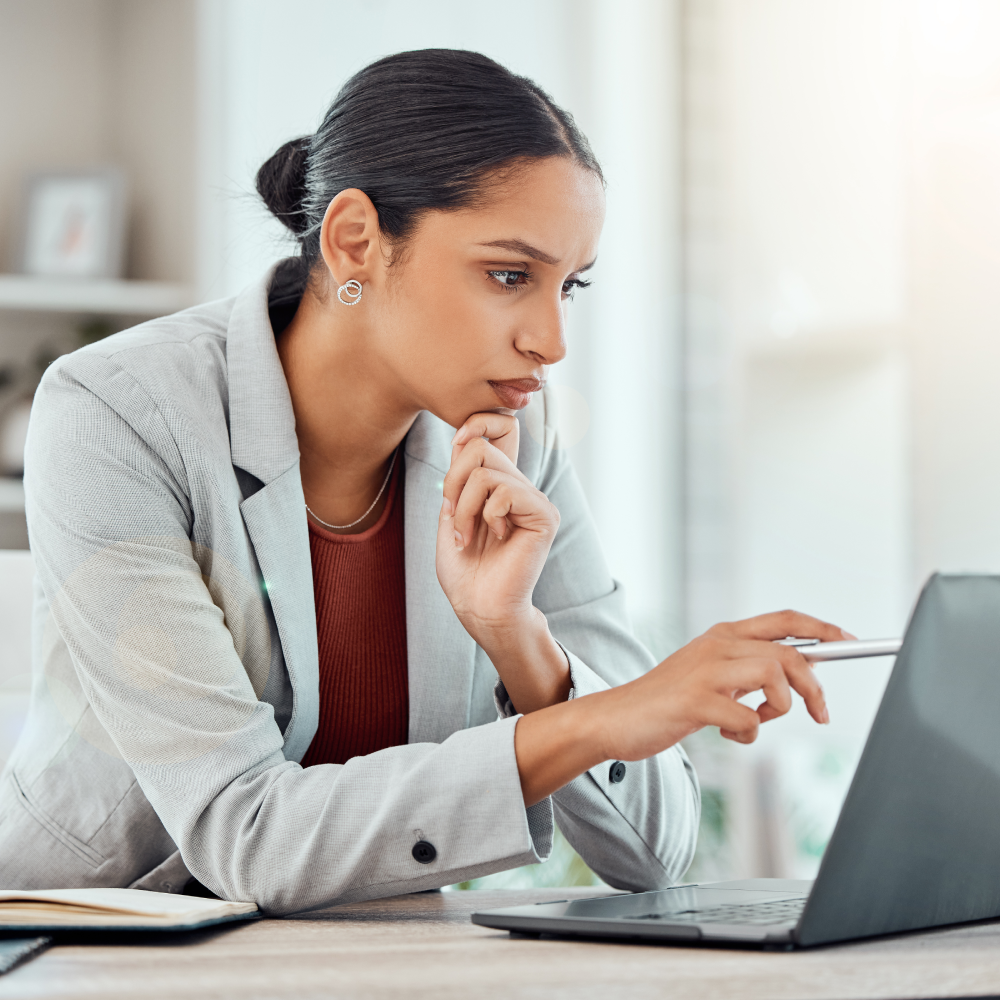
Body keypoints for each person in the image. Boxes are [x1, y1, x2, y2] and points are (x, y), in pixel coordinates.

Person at [0, 49, 848, 912]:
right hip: (97, 945)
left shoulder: (517, 431)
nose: (551, 341)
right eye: (510, 275)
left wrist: (518, 638)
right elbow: (243, 833)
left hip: (387, 944)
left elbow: (654, 854)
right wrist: (595, 719)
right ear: (355, 241)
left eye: (571, 286)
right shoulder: (115, 413)